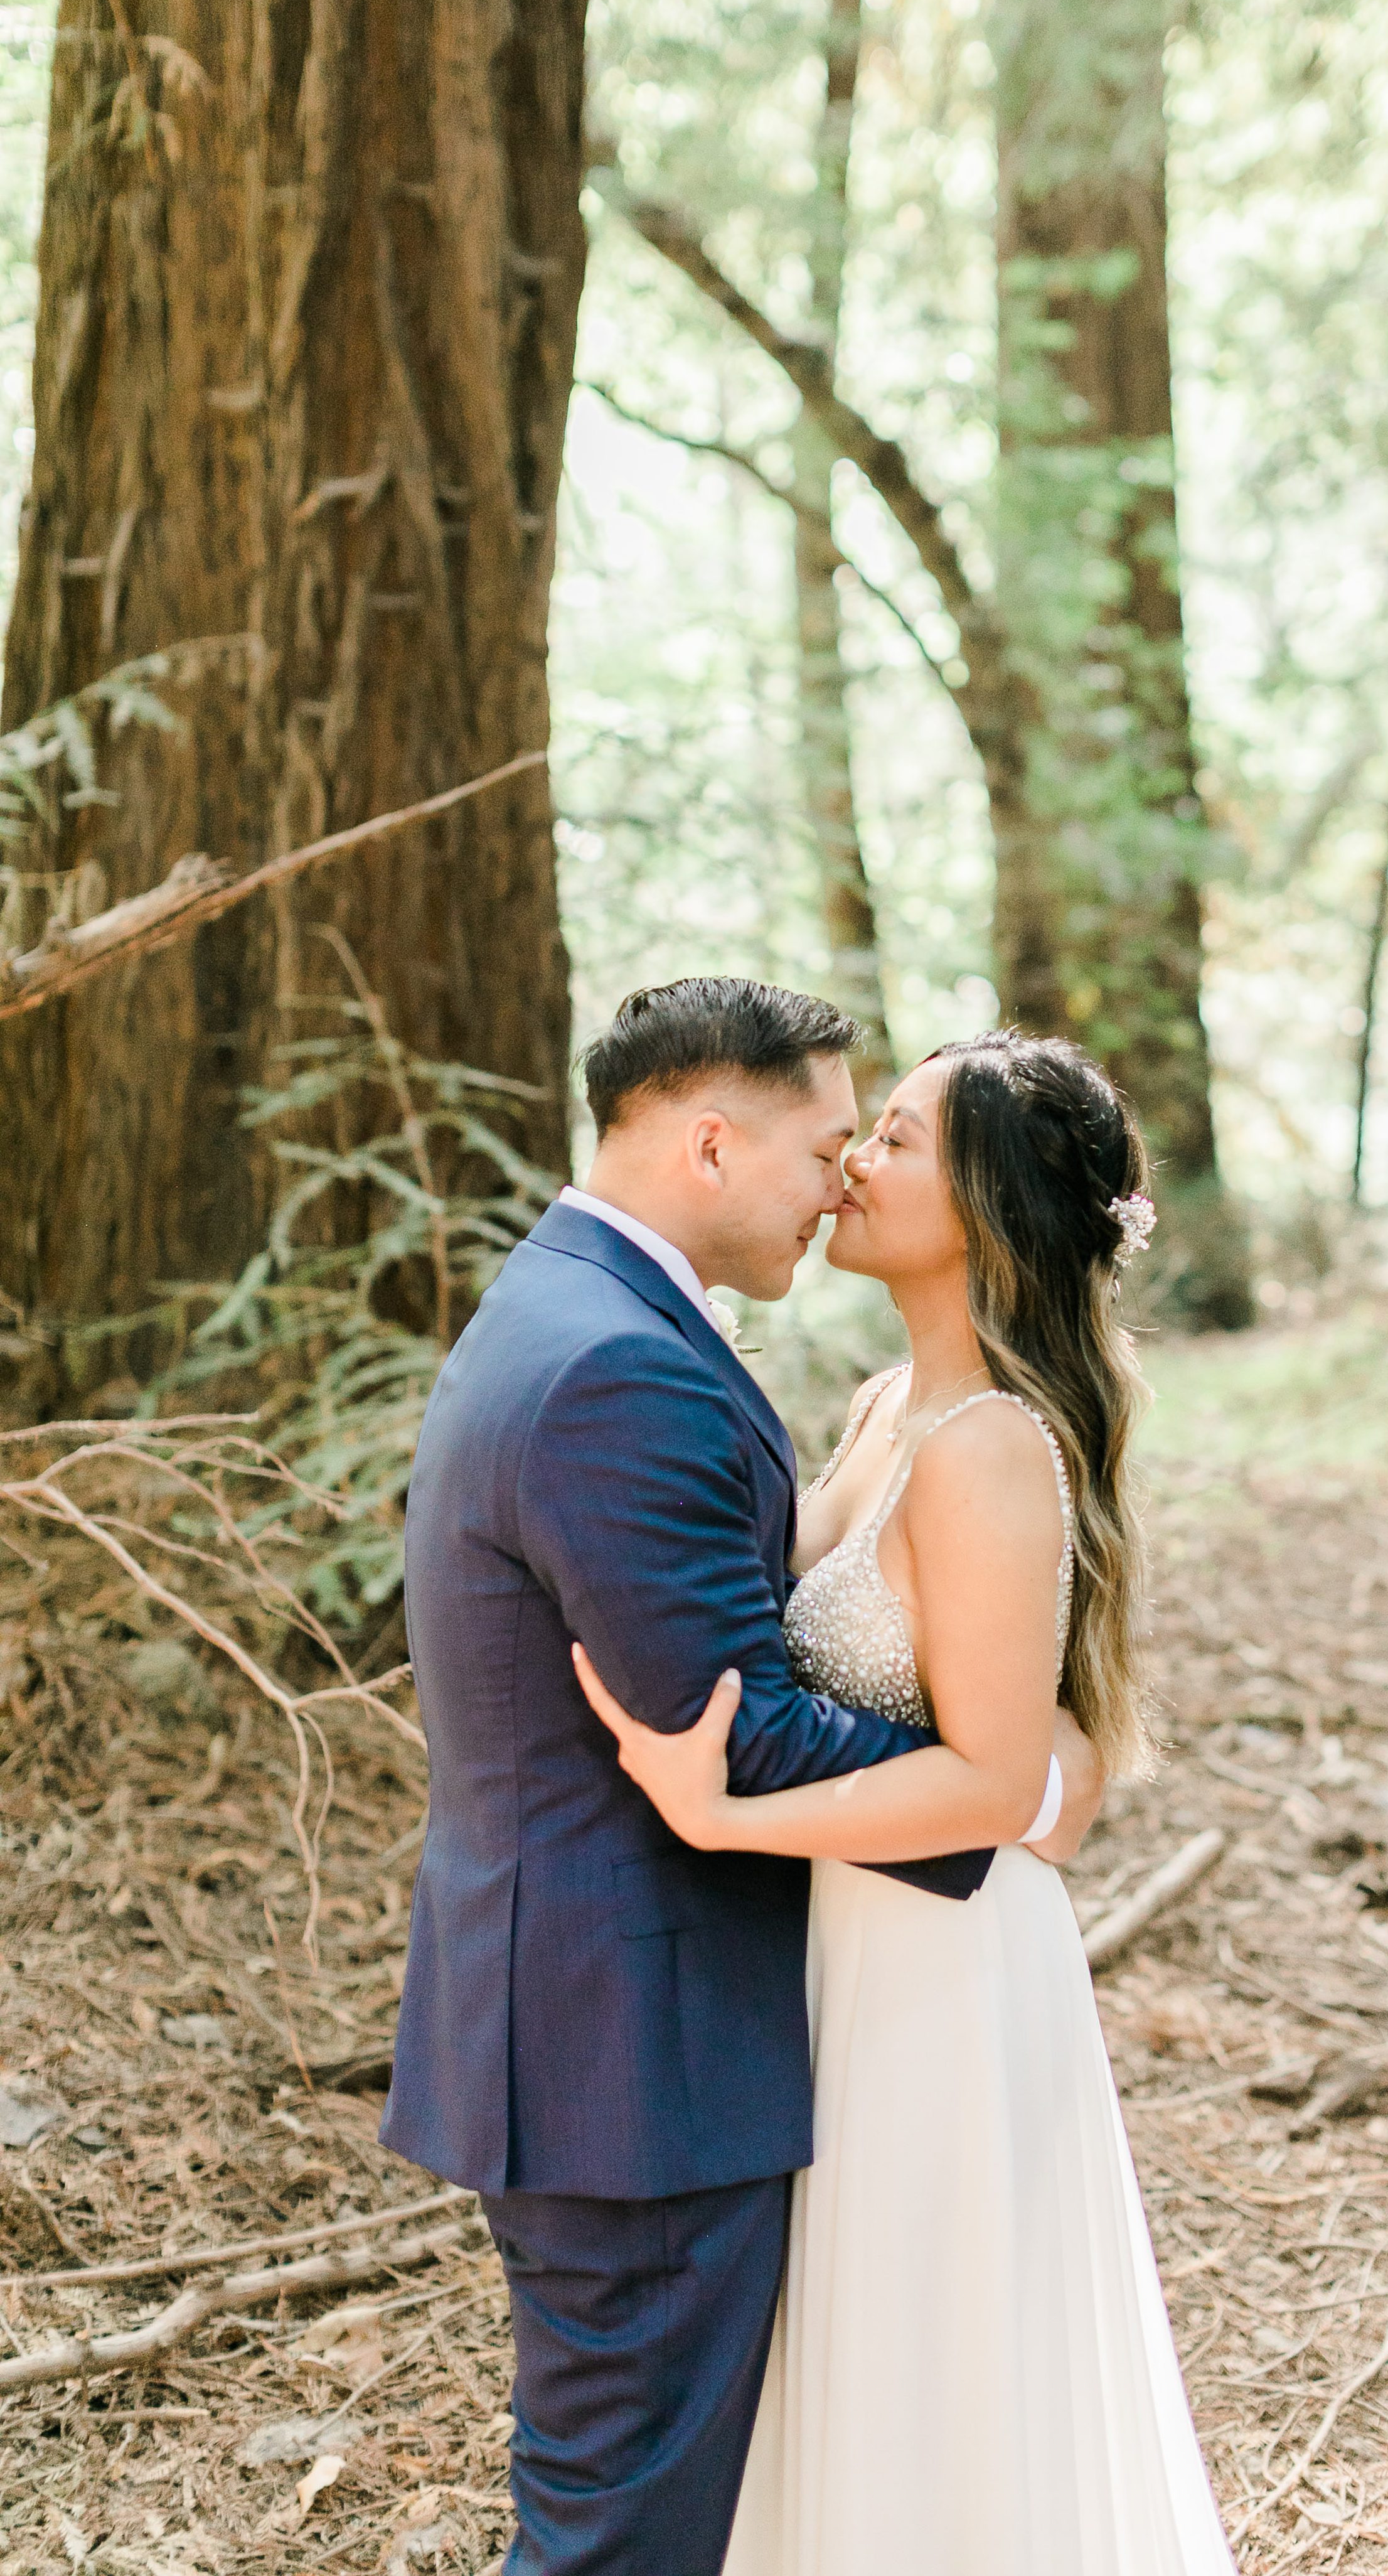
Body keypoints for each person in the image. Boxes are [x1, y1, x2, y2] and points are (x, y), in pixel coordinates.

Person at [380, 978, 1104, 2576]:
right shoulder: (617, 1367)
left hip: (722, 2011)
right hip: (634, 2047)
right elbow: (743, 1724)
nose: (843, 1178)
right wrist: (1015, 1788)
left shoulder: (582, 1310)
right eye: (836, 1143)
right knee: (620, 2537)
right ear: (713, 1145)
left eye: (882, 1144)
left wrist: (1023, 1768)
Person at [574, 1029, 1237, 2576]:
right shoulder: (888, 1409)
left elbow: (1004, 1782)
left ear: (992, 1206)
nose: (851, 1163)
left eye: (898, 1140)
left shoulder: (993, 1449)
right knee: (851, 2361)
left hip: (940, 1973)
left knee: (935, 2372)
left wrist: (721, 1817)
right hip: (843, 1952)